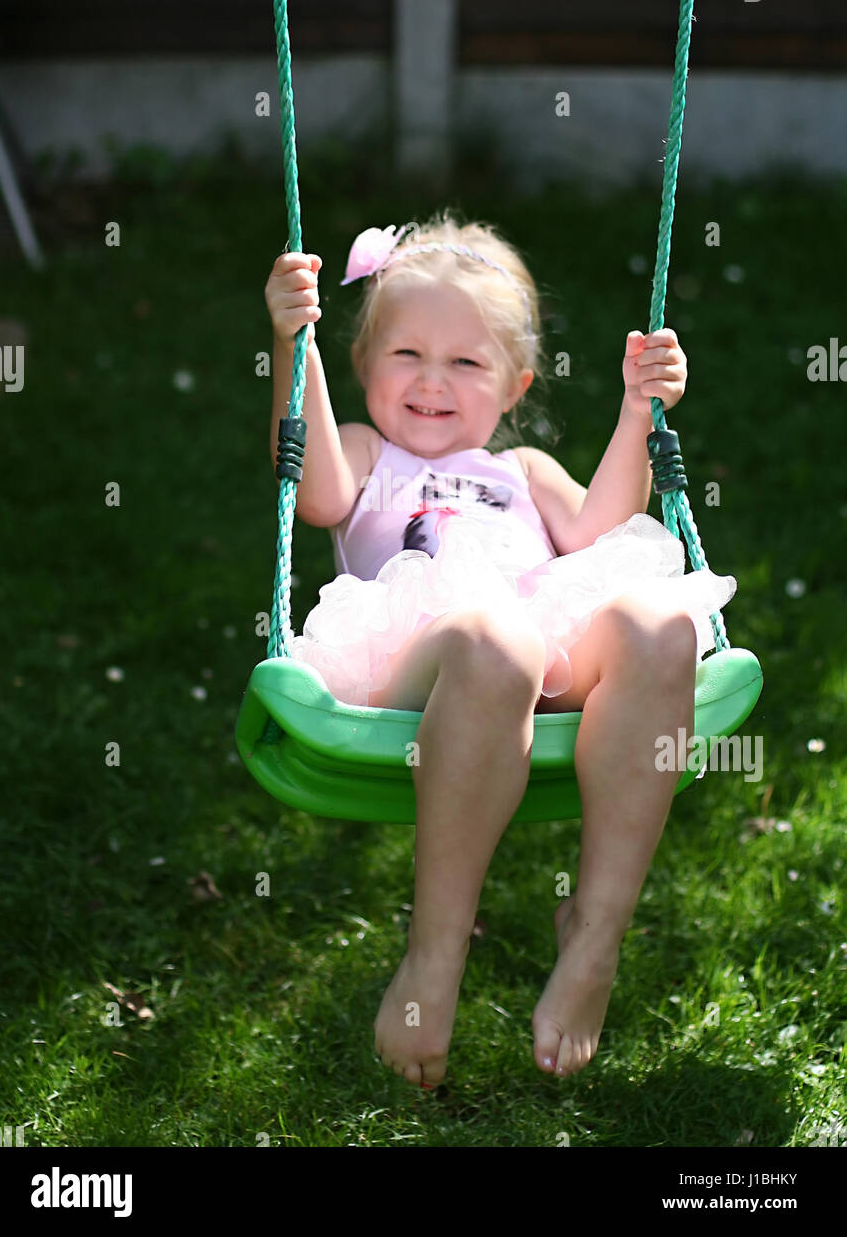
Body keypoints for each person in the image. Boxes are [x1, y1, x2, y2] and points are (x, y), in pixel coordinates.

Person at [265, 213, 736, 1090]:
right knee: (495, 639)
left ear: (515, 383)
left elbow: (602, 532)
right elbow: (317, 493)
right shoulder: (372, 455)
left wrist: (641, 411)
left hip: (541, 661)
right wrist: (299, 347)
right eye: (405, 355)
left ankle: (595, 937)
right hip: (426, 669)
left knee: (660, 624)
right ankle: (433, 963)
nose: (432, 382)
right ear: (367, 365)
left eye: (466, 362)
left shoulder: (523, 475)